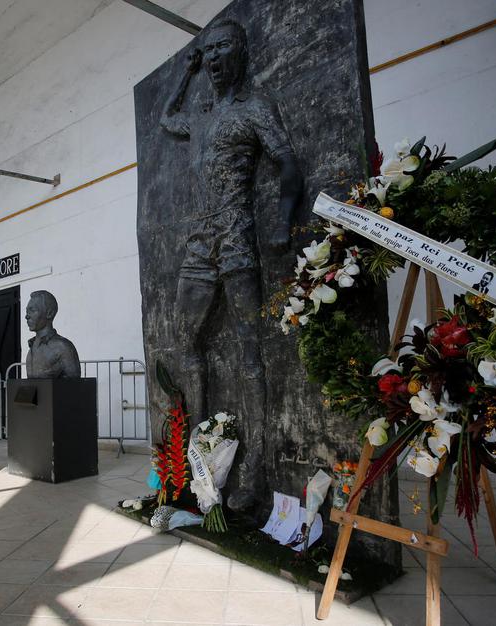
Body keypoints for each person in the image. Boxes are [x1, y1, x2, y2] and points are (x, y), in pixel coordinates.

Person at [160, 18, 303, 511]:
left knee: (249, 352)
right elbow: (165, 118)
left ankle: (255, 476)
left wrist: (282, 223)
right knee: (187, 340)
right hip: (200, 242)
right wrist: (185, 69)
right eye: (209, 52)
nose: (215, 58)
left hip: (238, 238)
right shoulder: (199, 114)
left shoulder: (255, 107)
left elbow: (288, 165)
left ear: (239, 53)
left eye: (223, 49)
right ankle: (199, 464)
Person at [25, 290, 81, 379]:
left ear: (49, 313)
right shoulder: (32, 347)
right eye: (27, 311)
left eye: (32, 310)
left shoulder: (63, 347)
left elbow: (74, 386)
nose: (27, 316)